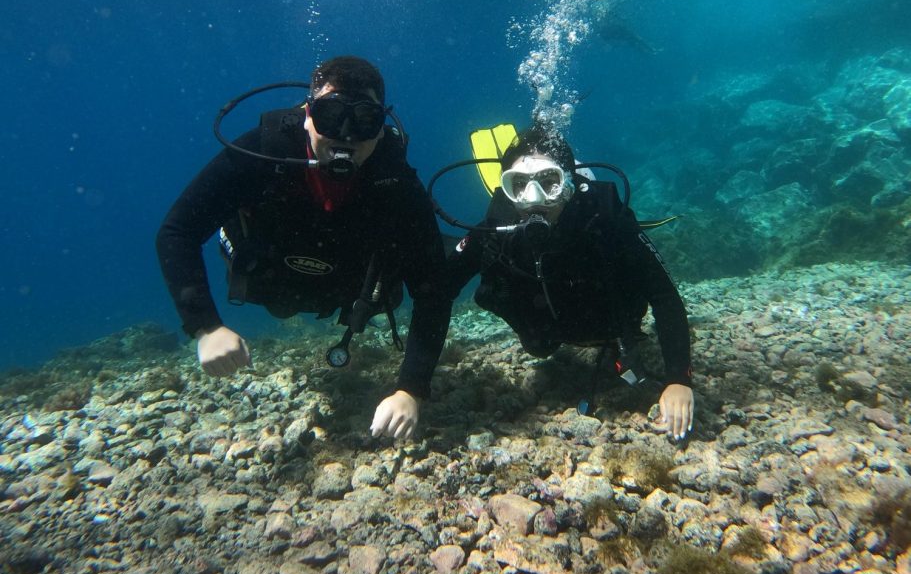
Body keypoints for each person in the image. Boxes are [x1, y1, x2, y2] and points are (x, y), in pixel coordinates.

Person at [156, 56, 452, 440]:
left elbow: (433, 289)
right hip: (271, 280)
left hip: (347, 291)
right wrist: (205, 326)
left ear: (381, 129)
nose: (346, 135)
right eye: (331, 115)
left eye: (364, 120)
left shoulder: (395, 183)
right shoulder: (262, 152)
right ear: (307, 114)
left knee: (427, 260)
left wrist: (411, 389)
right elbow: (177, 231)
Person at [445, 123, 694, 439]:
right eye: (518, 185)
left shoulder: (605, 220)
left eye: (549, 182)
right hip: (544, 329)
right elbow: (440, 287)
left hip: (610, 324)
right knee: (537, 346)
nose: (533, 199)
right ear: (507, 191)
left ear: (568, 185)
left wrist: (679, 380)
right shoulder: (498, 228)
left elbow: (664, 296)